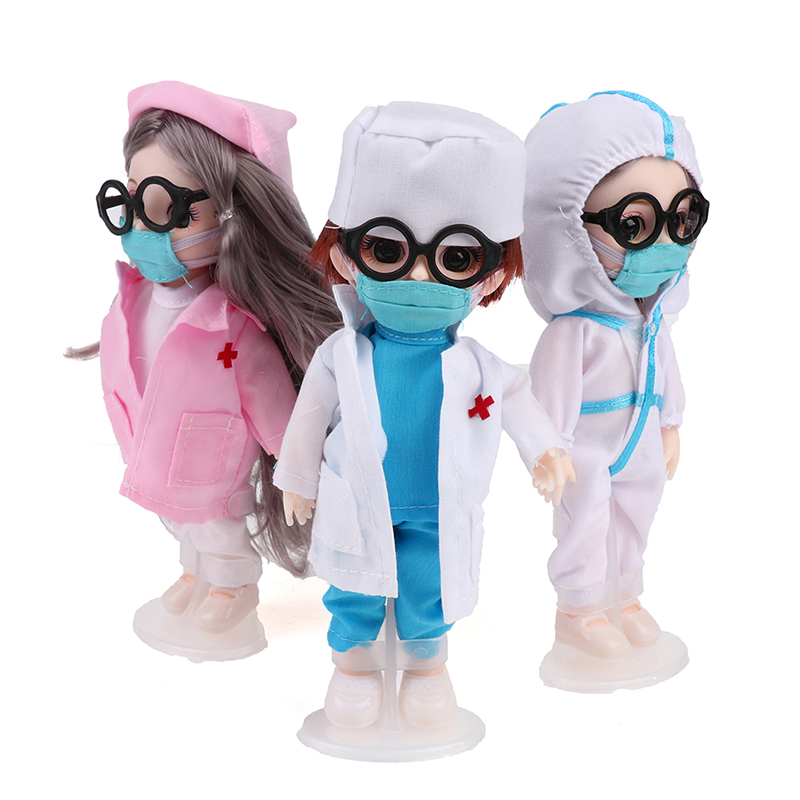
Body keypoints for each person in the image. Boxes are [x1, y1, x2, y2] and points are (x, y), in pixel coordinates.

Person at [276, 101, 571, 727]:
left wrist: (545, 450)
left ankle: (427, 669)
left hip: (439, 506)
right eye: (387, 249)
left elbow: (517, 397)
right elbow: (309, 415)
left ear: (490, 275)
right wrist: (298, 478)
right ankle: (352, 670)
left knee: (427, 589)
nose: (417, 276)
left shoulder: (478, 366)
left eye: (456, 259)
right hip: (358, 498)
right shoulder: (341, 356)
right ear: (346, 254)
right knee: (352, 588)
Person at [76, 81, 340, 658]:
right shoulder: (132, 295)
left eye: (168, 209)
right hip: (152, 444)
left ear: (231, 214)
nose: (143, 230)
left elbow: (269, 398)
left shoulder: (233, 327)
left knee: (218, 523)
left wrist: (295, 466)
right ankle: (194, 573)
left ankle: (231, 584)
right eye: (132, 203)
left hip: (214, 456)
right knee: (179, 521)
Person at [522, 92, 708, 671]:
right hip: (586, 448)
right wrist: (548, 447)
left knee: (636, 513)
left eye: (683, 220)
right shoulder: (574, 331)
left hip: (642, 437)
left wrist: (670, 423)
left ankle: (624, 597)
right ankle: (580, 612)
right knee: (585, 523)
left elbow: (665, 371)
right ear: (565, 229)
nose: (666, 244)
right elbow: (546, 396)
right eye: (634, 224)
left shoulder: (650, 321)